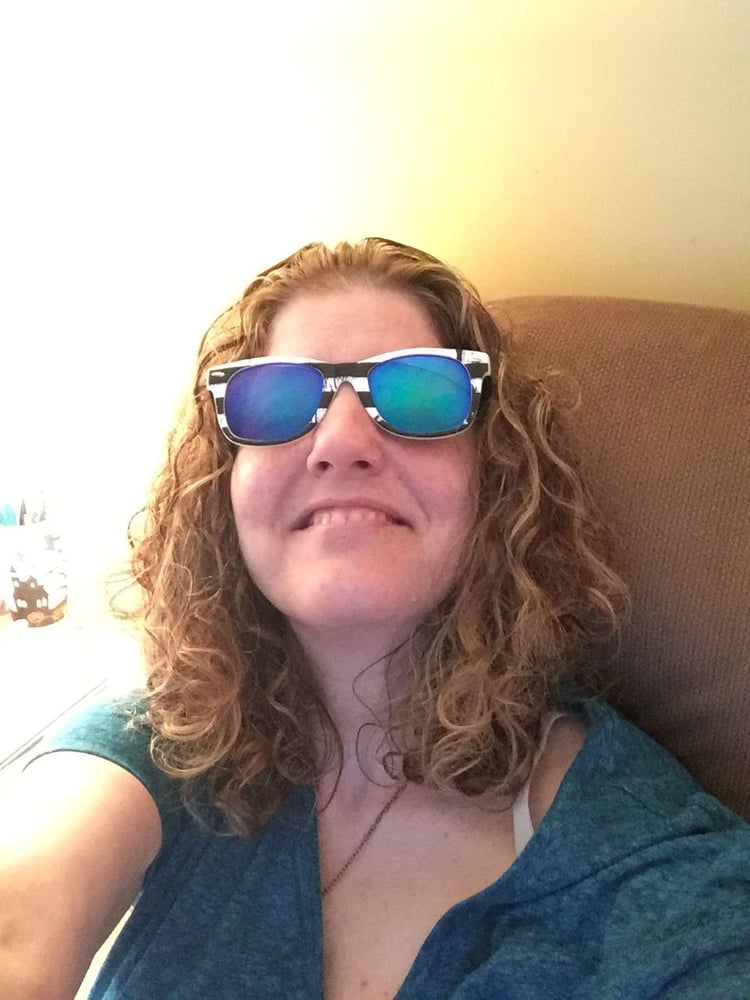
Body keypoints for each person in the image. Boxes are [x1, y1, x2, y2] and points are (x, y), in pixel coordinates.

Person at [1, 238, 748, 1000]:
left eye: (418, 396)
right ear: (224, 489)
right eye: (278, 402)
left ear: (497, 477)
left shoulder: (639, 852)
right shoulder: (157, 751)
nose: (342, 442)